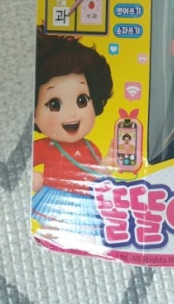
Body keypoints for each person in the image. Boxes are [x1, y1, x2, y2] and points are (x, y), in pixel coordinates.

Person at [32, 27, 114, 240]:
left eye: (82, 101)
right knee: (52, 231)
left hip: (85, 200)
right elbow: (24, 168)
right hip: (55, 197)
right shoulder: (43, 147)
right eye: (54, 104)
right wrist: (35, 179)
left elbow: (98, 172)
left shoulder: (90, 146)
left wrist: (110, 162)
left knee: (86, 233)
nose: (71, 114)